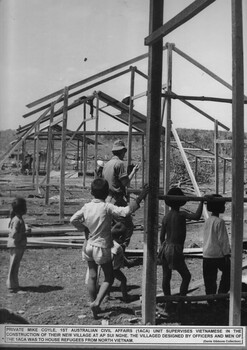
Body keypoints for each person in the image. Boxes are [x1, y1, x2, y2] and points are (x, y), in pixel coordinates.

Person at [70, 178, 148, 318]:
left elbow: (73, 219)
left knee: (93, 276)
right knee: (109, 278)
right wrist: (142, 195)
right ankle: (97, 303)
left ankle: (93, 303)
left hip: (88, 245)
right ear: (106, 193)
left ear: (91, 192)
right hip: (102, 246)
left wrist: (84, 229)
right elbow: (126, 212)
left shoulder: (86, 207)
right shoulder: (106, 207)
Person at [158, 187, 203, 313]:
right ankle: (181, 302)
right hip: (176, 249)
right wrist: (202, 202)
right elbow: (197, 216)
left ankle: (168, 303)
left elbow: (161, 237)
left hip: (166, 247)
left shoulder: (166, 217)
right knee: (186, 276)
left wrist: (163, 248)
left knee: (166, 276)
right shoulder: (182, 214)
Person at [102, 139, 139, 250]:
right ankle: (121, 250)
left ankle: (112, 249)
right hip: (117, 200)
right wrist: (133, 172)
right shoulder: (119, 164)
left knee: (112, 227)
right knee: (128, 226)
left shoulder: (107, 164)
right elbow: (126, 183)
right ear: (122, 151)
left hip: (108, 199)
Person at [203, 194, 231, 305]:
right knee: (229, 272)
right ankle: (221, 294)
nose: (224, 207)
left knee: (209, 279)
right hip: (218, 255)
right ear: (219, 207)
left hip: (207, 254)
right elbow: (223, 240)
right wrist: (226, 254)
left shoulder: (208, 220)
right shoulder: (220, 222)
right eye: (223, 205)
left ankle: (210, 298)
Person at [6, 197, 28, 294]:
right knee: (14, 266)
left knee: (15, 265)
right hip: (16, 245)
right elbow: (14, 234)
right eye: (25, 207)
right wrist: (24, 233)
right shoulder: (17, 220)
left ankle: (14, 285)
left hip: (17, 245)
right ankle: (12, 287)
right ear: (21, 209)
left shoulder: (17, 219)